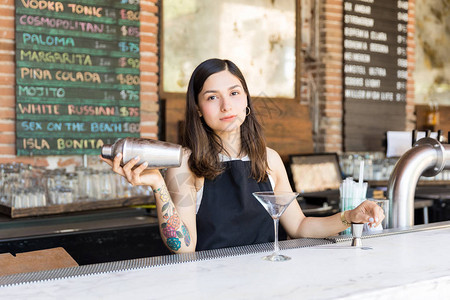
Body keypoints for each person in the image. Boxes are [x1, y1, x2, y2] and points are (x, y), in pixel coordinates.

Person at [101, 58, 385, 253]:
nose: (226, 105)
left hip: (268, 278)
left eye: (234, 93)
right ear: (198, 109)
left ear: (246, 98)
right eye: (212, 97)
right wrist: (158, 186)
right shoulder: (185, 165)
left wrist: (350, 216)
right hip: (215, 283)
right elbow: (183, 247)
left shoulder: (268, 159)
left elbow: (299, 226)